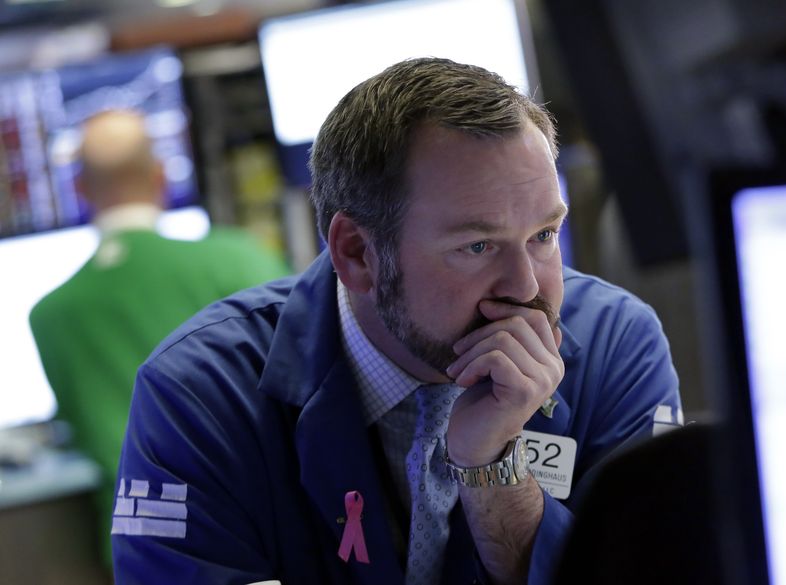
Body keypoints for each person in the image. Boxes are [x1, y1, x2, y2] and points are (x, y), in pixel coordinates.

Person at [111, 59, 682, 585]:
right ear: (357, 253)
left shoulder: (614, 346)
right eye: (477, 245)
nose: (527, 288)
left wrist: (494, 466)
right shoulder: (200, 392)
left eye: (544, 235)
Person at [29, 109, 290, 569]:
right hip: (266, 534)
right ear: (160, 176)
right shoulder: (241, 262)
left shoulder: (49, 316)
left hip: (145, 552)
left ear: (80, 189)